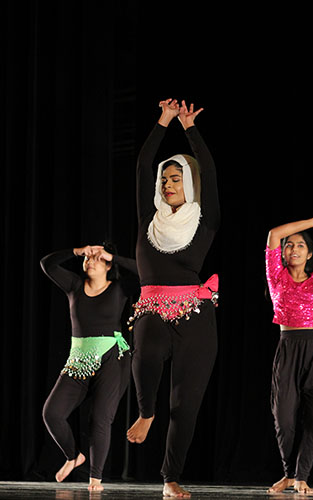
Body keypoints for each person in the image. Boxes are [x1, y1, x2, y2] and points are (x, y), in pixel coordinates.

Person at [126, 99, 220, 498]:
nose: (167, 184)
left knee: (186, 404)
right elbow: (141, 167)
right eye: (165, 180)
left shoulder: (205, 219)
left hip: (196, 316)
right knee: (144, 353)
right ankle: (146, 412)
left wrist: (190, 130)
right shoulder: (149, 220)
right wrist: (163, 123)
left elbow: (211, 171)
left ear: (190, 182)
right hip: (151, 307)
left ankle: (170, 479)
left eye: (176, 178)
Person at [40, 243, 138, 491]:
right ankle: (74, 456)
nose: (90, 260)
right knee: (52, 413)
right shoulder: (74, 285)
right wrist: (76, 251)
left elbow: (147, 273)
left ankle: (96, 478)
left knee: (100, 418)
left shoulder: (119, 288)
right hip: (79, 360)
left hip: (112, 357)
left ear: (107, 266)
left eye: (96, 258)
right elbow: (47, 264)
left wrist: (113, 256)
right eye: (88, 258)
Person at [265, 217, 313, 495]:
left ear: (310, 253)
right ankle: (288, 473)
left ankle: (301, 476)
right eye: (290, 245)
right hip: (289, 348)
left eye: (301, 245)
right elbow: (273, 233)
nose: (294, 248)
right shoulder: (276, 276)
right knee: (284, 419)